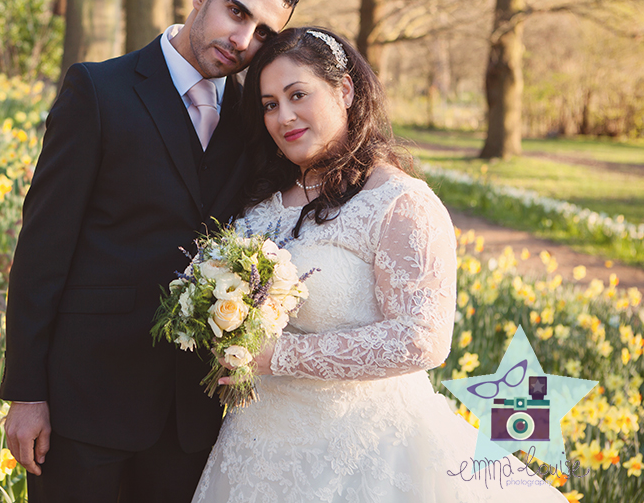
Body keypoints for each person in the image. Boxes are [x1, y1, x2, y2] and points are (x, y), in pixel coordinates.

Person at [192, 27, 568, 502]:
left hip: (358, 451)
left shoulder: (398, 202)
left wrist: (276, 357)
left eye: (297, 95)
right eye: (269, 104)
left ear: (344, 90)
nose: (283, 116)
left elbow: (421, 338)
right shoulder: (262, 201)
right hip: (253, 447)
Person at [0, 0, 300, 503]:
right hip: (85, 402)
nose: (242, 40)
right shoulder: (98, 91)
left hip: (193, 418)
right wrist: (26, 393)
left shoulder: (252, 120)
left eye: (262, 34)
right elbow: (43, 248)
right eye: (237, 12)